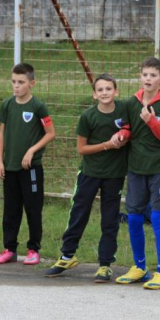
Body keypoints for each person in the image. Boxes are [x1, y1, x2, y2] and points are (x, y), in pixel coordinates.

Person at [44, 74, 129, 282]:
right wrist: (107, 145)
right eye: (100, 90)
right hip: (90, 174)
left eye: (109, 89)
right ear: (94, 94)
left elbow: (144, 101)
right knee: (78, 213)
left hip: (114, 175)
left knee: (110, 219)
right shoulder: (88, 116)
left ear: (116, 91)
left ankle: (105, 265)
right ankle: (67, 256)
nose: (105, 93)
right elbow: (81, 149)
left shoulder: (125, 110)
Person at [115, 57, 160, 289]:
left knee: (158, 216)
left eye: (153, 75)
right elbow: (127, 128)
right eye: (145, 75)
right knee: (133, 216)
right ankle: (140, 267)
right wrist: (122, 136)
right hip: (136, 169)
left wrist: (153, 121)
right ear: (140, 77)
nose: (148, 79)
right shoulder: (131, 103)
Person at [0, 63, 56, 265]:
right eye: (13, 82)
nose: (16, 86)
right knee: (10, 210)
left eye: (21, 82)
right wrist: (0, 161)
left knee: (33, 209)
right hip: (9, 167)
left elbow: (51, 133)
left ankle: (33, 249)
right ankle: (9, 249)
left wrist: (31, 150)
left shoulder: (38, 106)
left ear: (32, 83)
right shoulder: (7, 105)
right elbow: (2, 133)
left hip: (31, 169)